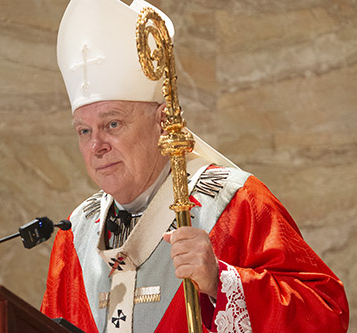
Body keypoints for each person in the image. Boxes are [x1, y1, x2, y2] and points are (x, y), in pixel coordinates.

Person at [40, 0, 349, 332]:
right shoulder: (77, 235)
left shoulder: (235, 205)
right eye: (84, 131)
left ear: (162, 121)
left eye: (112, 124)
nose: (97, 145)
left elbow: (326, 314)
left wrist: (221, 282)